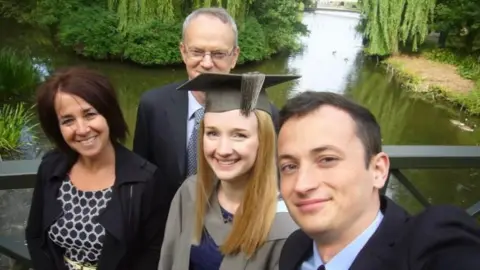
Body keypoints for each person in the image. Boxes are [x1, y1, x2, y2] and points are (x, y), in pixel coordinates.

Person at [277, 91, 480, 270]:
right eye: (290, 166)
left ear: (378, 170)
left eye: (327, 160)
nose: (302, 185)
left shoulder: (431, 240)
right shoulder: (295, 248)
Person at [25, 67, 166, 270]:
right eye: (68, 120)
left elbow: (152, 254)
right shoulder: (51, 167)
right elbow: (35, 235)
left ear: (108, 114)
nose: (82, 129)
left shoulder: (145, 180)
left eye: (90, 114)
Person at [158, 72, 300, 270]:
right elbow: (168, 260)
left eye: (239, 135)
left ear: (264, 140)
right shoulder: (191, 192)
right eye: (212, 133)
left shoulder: (285, 225)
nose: (223, 150)